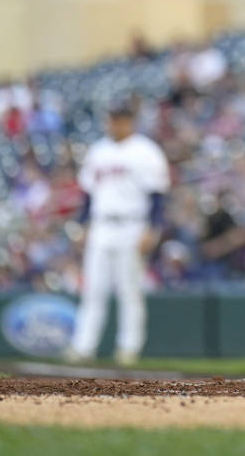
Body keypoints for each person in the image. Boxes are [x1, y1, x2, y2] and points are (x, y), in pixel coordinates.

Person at [65, 100, 170, 365]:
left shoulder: (146, 151)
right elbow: (88, 195)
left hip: (132, 225)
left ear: (130, 121)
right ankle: (83, 347)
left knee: (129, 291)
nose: (114, 123)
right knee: (93, 290)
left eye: (120, 118)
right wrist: (82, 226)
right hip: (101, 225)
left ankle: (128, 348)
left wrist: (152, 229)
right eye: (112, 118)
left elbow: (157, 196)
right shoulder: (98, 151)